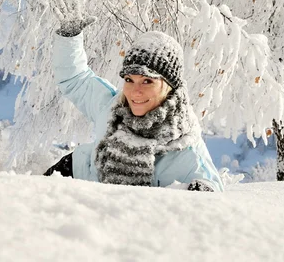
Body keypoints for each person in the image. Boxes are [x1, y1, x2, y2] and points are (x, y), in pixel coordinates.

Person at [43, 17, 224, 192]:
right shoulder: (113, 107)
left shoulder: (185, 147)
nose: (135, 91)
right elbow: (77, 80)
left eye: (147, 81)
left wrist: (204, 189)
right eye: (129, 79)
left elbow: (211, 188)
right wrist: (69, 38)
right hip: (73, 173)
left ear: (169, 86)